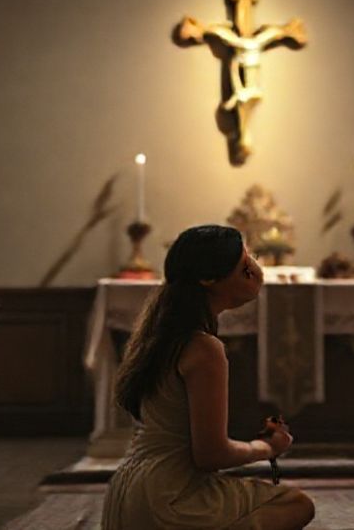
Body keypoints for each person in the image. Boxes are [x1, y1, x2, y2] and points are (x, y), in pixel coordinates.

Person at [102, 225, 315, 529]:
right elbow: (211, 454)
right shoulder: (204, 348)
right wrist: (268, 447)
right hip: (166, 499)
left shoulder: (162, 335)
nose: (255, 271)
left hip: (127, 493)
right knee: (295, 504)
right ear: (208, 279)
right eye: (244, 265)